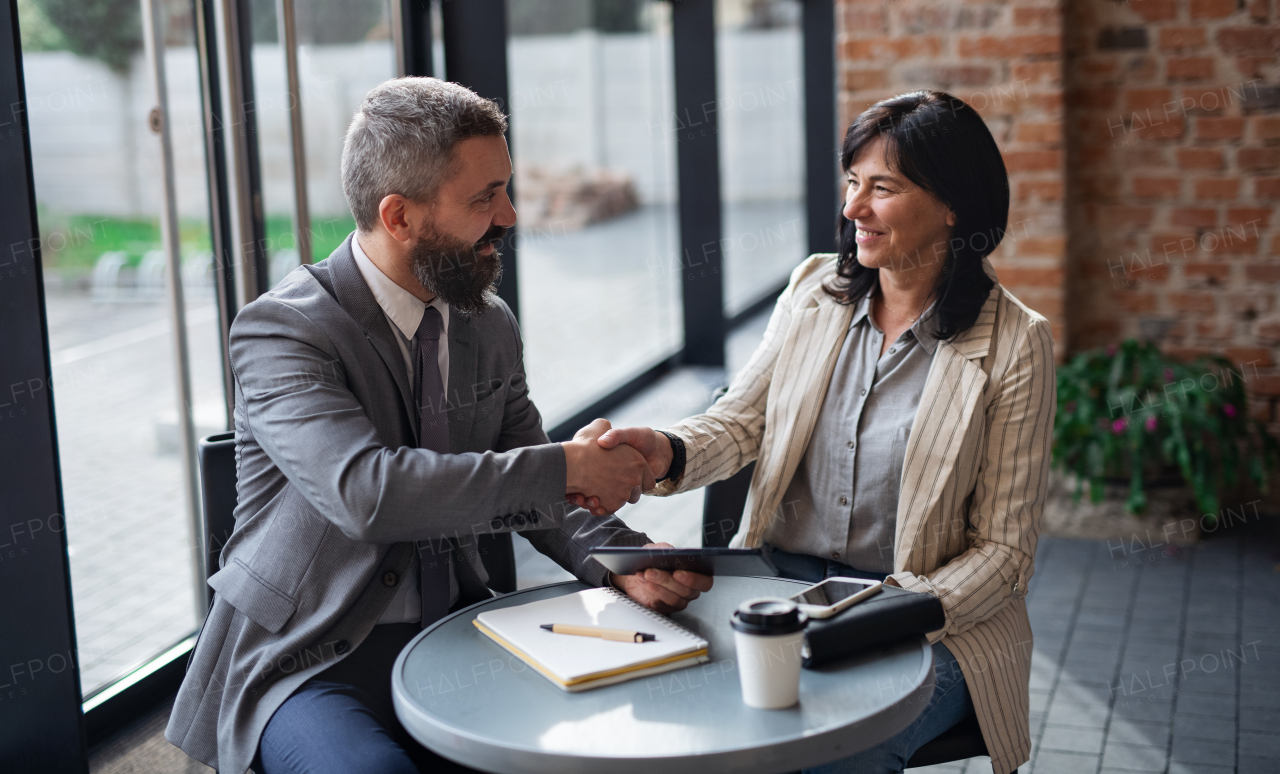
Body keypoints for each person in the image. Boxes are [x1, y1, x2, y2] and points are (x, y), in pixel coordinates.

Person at [166, 77, 712, 774]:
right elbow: (369, 493)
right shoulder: (283, 331)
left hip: (460, 629)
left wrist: (623, 562)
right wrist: (570, 465)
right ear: (399, 217)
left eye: (506, 187)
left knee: (610, 746)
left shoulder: (488, 323)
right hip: (306, 653)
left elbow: (532, 479)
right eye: (484, 197)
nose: (511, 214)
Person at [596, 91, 1055, 774]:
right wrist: (664, 449)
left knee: (831, 754)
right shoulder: (816, 290)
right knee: (677, 718)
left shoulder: (1016, 343)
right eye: (851, 182)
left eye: (882, 188)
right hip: (782, 590)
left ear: (954, 205)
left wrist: (887, 615)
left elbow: (1003, 552)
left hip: (925, 622)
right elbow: (741, 419)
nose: (853, 209)